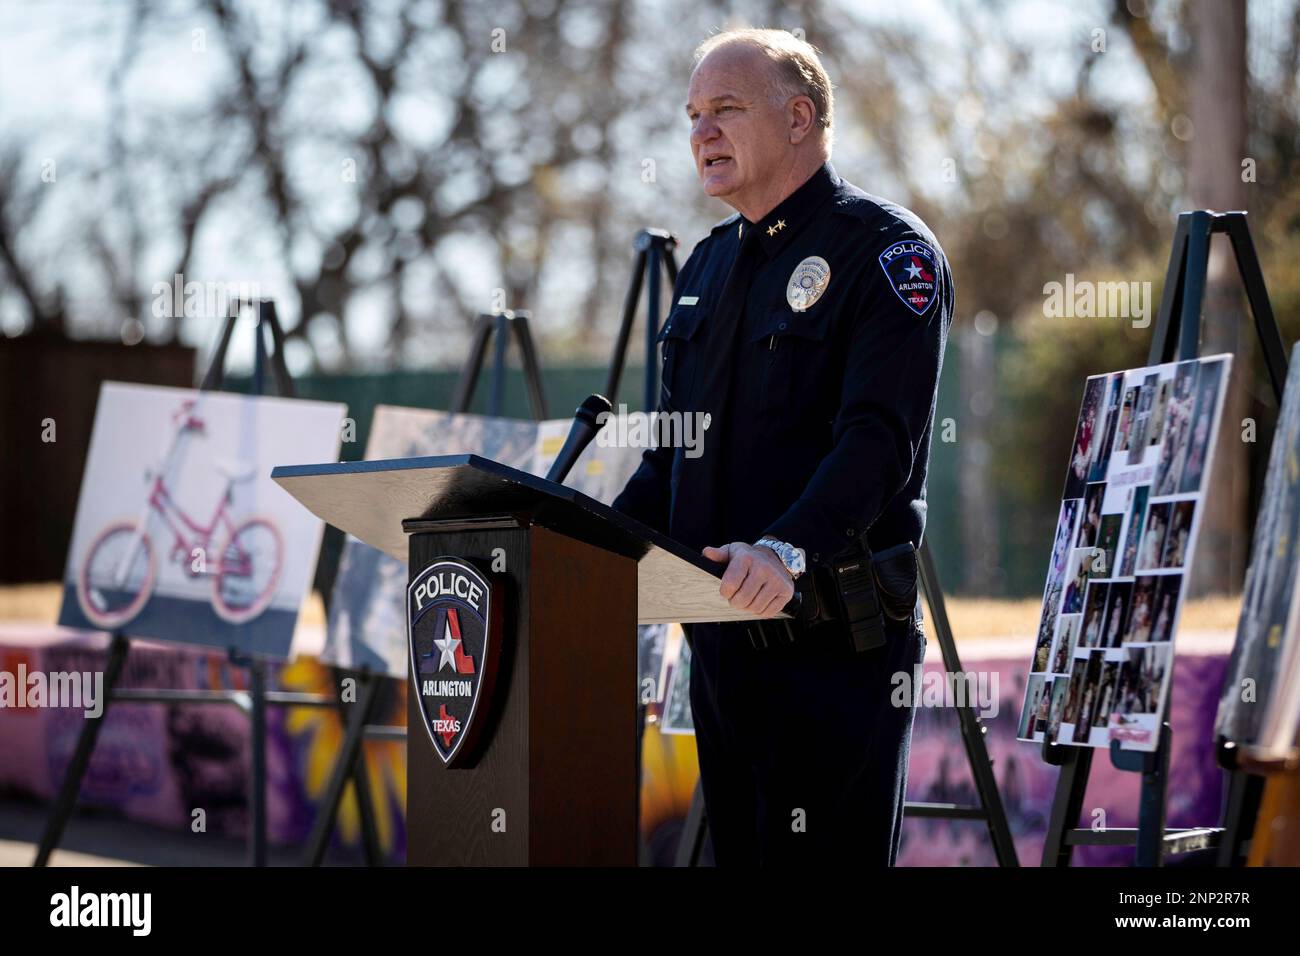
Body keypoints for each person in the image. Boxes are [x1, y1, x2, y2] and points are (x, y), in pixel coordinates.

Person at [611, 28, 952, 865]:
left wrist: (786, 546)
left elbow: (879, 442)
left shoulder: (885, 252)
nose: (701, 133)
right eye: (693, 115)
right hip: (721, 651)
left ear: (800, 118)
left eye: (725, 109)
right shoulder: (705, 269)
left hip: (831, 648)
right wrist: (581, 555)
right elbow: (670, 459)